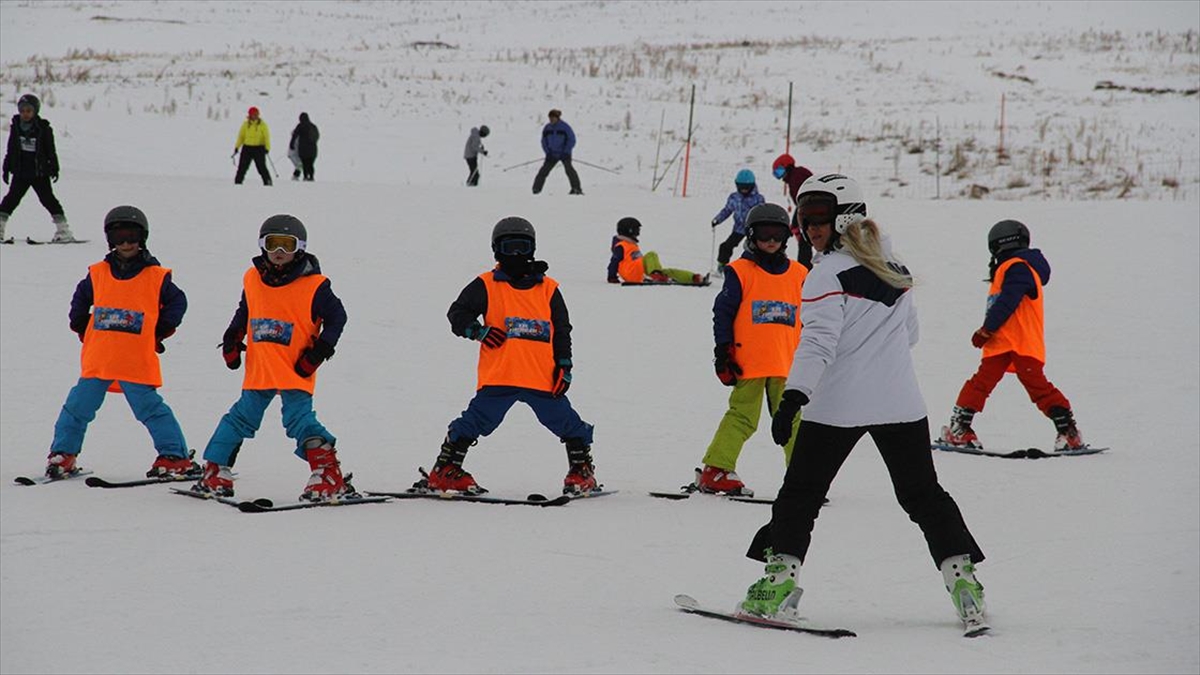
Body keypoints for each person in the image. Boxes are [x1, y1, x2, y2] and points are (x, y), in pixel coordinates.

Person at [741, 174, 987, 635]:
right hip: (901, 403)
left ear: (845, 216)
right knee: (923, 495)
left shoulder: (825, 275)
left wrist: (791, 399)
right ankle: (964, 582)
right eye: (805, 215)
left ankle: (777, 585)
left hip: (837, 407)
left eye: (820, 216)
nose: (810, 226)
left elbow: (817, 344)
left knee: (800, 496)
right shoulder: (892, 264)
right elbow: (909, 335)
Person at [417, 216, 598, 496]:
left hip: (542, 377)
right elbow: (457, 314)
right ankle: (446, 470)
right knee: (475, 421)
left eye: (522, 248)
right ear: (497, 250)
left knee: (567, 422)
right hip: (501, 376)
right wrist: (478, 331)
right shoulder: (486, 284)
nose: (516, 255)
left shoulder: (549, 288)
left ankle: (581, 471)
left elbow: (562, 330)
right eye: (510, 247)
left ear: (533, 249)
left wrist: (565, 365)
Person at [193, 215, 353, 501]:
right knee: (241, 417)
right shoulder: (252, 278)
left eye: (287, 244)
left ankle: (328, 474)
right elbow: (246, 310)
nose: (279, 251)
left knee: (298, 420)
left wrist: (318, 353)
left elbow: (338, 318)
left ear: (299, 248)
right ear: (262, 246)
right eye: (272, 243)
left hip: (295, 368)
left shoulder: (315, 285)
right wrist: (232, 338)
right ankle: (216, 469)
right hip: (262, 366)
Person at [44, 206, 193, 479]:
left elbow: (177, 302)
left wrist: (159, 331)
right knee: (77, 408)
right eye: (119, 236)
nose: (126, 243)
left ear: (143, 237)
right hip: (99, 359)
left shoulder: (156, 275)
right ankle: (62, 454)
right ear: (110, 239)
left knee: (150, 410)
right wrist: (81, 325)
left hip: (134, 360)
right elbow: (80, 299)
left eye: (132, 236)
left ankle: (174, 456)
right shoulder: (98, 273)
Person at [939, 219, 1086, 452]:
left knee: (1034, 387)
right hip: (1007, 343)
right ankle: (959, 429)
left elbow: (1009, 298)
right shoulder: (1019, 267)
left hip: (1017, 342)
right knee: (985, 384)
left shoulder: (1017, 267)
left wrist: (987, 328)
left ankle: (1068, 432)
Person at [697, 203, 808, 496]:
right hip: (750, 362)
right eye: (764, 233)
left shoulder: (799, 274)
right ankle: (716, 470)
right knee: (743, 417)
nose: (771, 240)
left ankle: (805, 476)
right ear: (750, 235)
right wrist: (723, 351)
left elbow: (812, 318)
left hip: (786, 363)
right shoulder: (740, 271)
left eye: (777, 233)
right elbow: (723, 313)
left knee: (793, 421)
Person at [0, 93, 74, 244]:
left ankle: (63, 231)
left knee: (48, 200)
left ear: (35, 111)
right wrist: (6, 167)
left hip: (39, 173)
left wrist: (54, 167)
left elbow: (50, 150)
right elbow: (11, 149)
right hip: (20, 172)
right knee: (10, 200)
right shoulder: (15, 128)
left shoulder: (44, 128)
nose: (25, 114)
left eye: (28, 111)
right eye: (22, 111)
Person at [607, 216, 706, 285]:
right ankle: (656, 275)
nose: (638, 233)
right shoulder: (621, 246)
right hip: (633, 276)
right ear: (630, 230)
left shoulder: (630, 244)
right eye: (637, 230)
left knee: (668, 271)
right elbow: (614, 261)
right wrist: (612, 277)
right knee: (651, 255)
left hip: (641, 273)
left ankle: (693, 277)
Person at [710, 169, 765, 273]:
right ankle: (722, 266)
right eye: (741, 187)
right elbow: (727, 210)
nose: (744, 190)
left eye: (746, 187)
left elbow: (761, 214)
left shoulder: (758, 199)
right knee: (725, 247)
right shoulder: (734, 197)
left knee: (755, 250)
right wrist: (718, 219)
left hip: (754, 230)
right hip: (739, 229)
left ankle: (759, 270)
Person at [771, 153, 815, 269]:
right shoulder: (794, 176)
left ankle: (804, 268)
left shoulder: (797, 176)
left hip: (809, 209)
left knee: (803, 239)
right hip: (806, 208)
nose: (780, 177)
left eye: (779, 172)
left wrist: (798, 220)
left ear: (787, 166)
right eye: (777, 174)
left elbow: (804, 198)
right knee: (799, 235)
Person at [531, 109, 583, 195]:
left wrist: (566, 151)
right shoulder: (547, 128)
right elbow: (544, 141)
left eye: (553, 118)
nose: (551, 120)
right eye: (550, 118)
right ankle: (536, 189)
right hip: (552, 155)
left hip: (564, 154)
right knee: (543, 171)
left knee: (569, 170)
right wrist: (547, 152)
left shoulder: (565, 127)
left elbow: (572, 140)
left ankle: (576, 189)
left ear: (557, 118)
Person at [233, 106, 272, 186]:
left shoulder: (263, 125)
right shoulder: (245, 125)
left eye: (256, 114)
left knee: (261, 167)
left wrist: (267, 148)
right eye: (252, 114)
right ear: (249, 115)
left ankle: (268, 182)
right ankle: (238, 182)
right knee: (242, 167)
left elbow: (266, 137)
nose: (254, 116)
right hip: (247, 148)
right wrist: (237, 147)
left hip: (259, 148)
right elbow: (241, 137)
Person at [288, 112, 319, 182]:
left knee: (305, 163)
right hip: (313, 149)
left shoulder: (300, 126)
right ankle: (311, 176)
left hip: (303, 149)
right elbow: (317, 136)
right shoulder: (313, 126)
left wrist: (291, 144)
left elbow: (294, 135)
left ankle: (305, 176)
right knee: (310, 163)